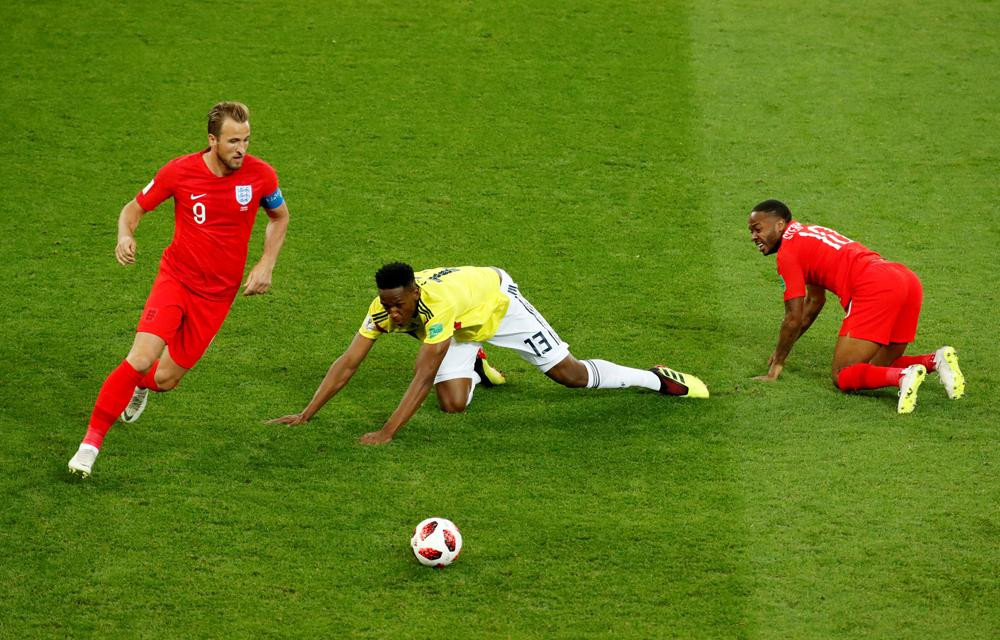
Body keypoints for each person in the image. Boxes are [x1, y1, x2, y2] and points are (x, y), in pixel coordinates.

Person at [68, 102, 291, 477]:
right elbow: (133, 209)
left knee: (164, 379)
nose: (242, 148)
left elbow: (279, 216)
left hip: (218, 295)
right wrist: (125, 235)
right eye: (233, 141)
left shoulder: (261, 176)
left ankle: (137, 388)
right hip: (176, 279)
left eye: (247, 140)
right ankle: (89, 445)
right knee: (140, 356)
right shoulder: (179, 171)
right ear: (212, 140)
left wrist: (266, 263)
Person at [268, 263, 709, 443]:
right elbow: (347, 363)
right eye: (387, 305)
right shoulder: (383, 309)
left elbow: (421, 375)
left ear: (414, 292)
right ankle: (475, 365)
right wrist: (306, 414)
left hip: (496, 302)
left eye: (399, 305)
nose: (393, 314)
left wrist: (387, 432)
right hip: (460, 326)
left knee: (569, 376)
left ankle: (656, 378)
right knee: (453, 406)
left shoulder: (432, 306)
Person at [747, 199, 964, 413]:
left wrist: (776, 365)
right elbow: (814, 302)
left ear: (780, 224)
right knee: (874, 368)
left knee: (842, 374)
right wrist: (783, 349)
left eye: (758, 229)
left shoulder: (788, 252)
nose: (754, 237)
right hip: (905, 280)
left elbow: (793, 318)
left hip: (875, 286)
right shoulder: (809, 233)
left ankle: (903, 376)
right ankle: (934, 360)